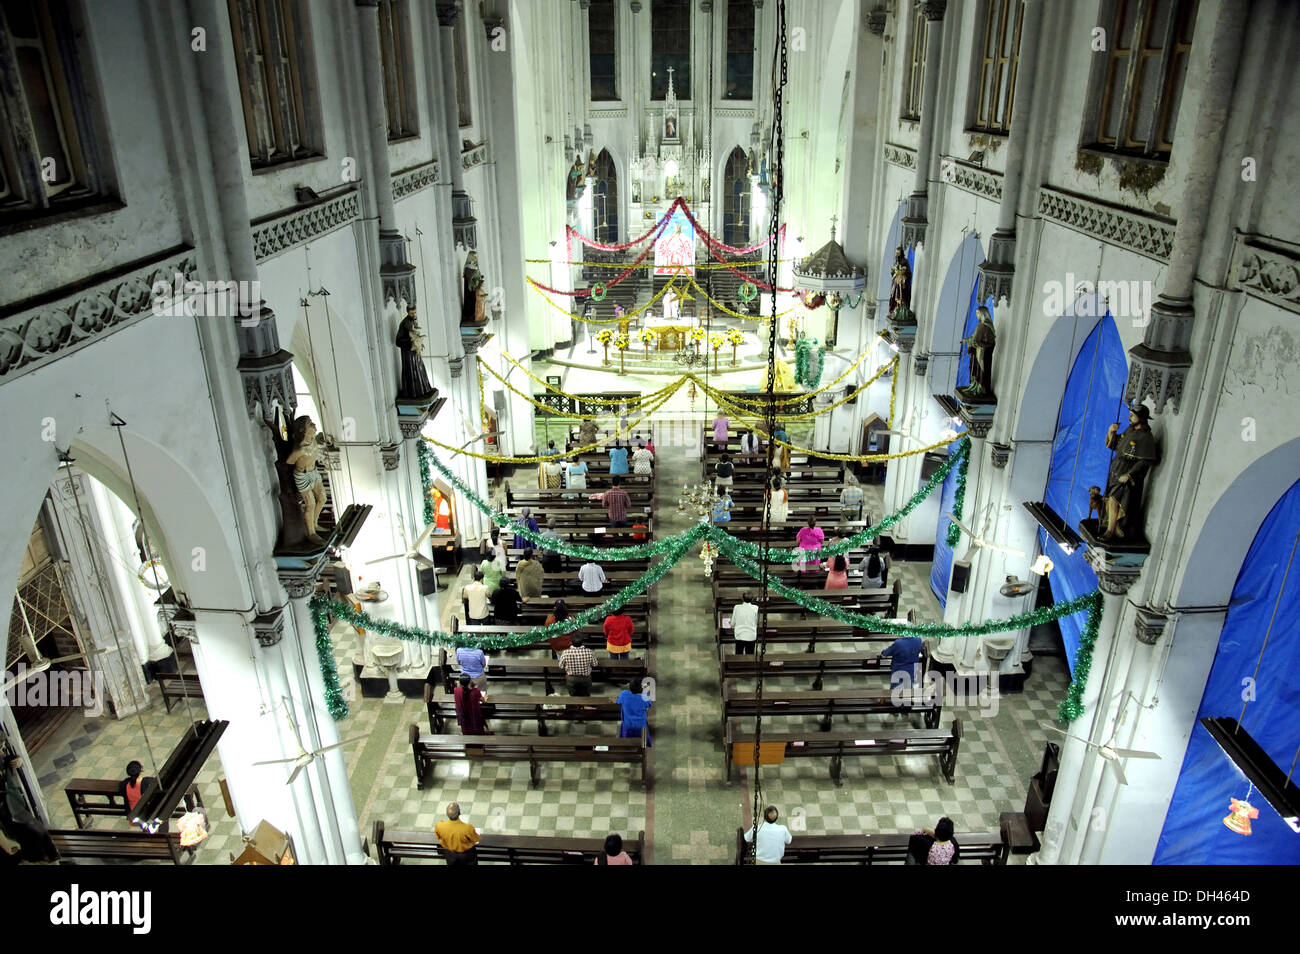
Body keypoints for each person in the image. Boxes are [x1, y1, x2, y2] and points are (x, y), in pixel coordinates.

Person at [616, 677, 652, 745]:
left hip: (628, 725)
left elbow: (618, 701)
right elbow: (649, 704)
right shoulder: (644, 696)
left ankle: (625, 743)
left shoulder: (624, 694)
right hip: (641, 726)